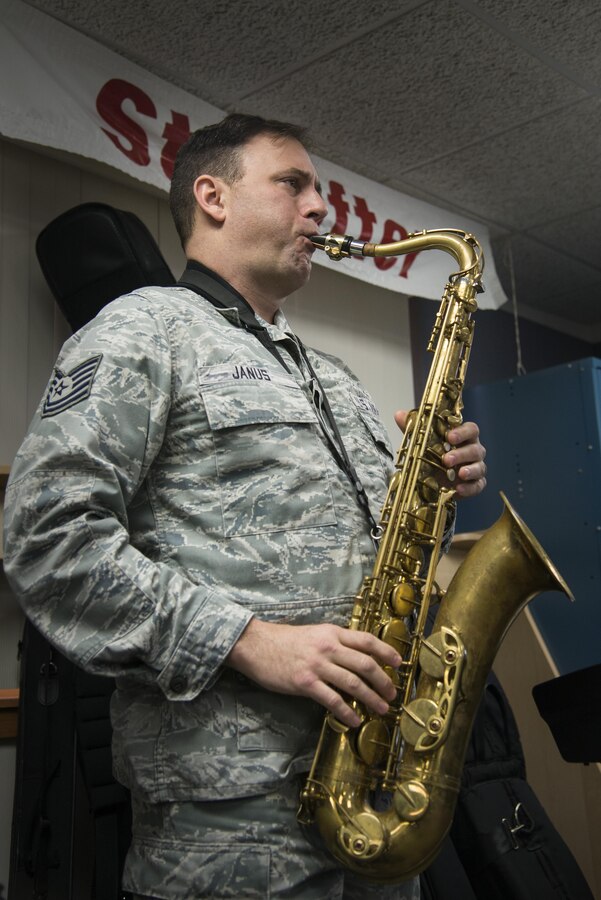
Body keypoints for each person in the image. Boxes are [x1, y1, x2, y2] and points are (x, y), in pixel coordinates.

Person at [3, 113, 487, 900]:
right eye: (292, 184)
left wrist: (439, 487)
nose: (320, 209)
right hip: (230, 816)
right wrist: (249, 640)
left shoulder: (334, 377)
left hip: (376, 782)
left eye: (321, 191)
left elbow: (383, 551)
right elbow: (47, 540)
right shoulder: (142, 328)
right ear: (212, 196)